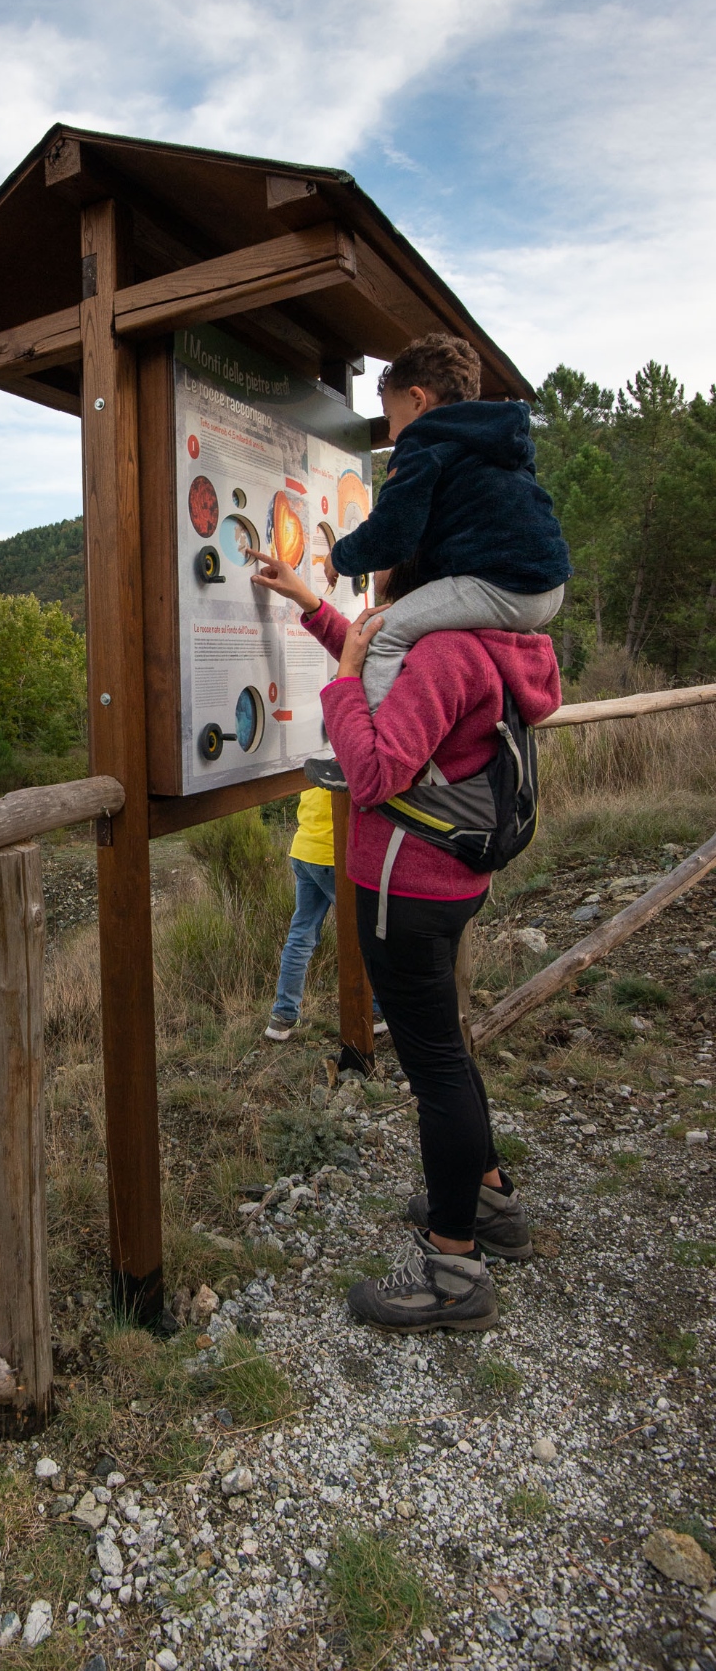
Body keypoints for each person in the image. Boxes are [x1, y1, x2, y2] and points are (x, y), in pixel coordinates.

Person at [251, 549, 561, 1333]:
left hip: (406, 890)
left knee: (434, 1072)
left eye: (382, 564)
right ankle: (489, 1199)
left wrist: (340, 683)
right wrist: (316, 611)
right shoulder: (484, 638)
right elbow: (402, 701)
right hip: (447, 882)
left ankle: (454, 1268)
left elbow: (376, 766)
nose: (372, 578)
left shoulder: (441, 653)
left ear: (410, 578)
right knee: (446, 1053)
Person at [321, 331, 570, 719]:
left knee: (382, 635)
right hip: (548, 585)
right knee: (424, 624)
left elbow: (393, 536)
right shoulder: (494, 439)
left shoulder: (423, 441)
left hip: (501, 583)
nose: (389, 432)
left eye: (390, 416)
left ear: (418, 400)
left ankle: (371, 749)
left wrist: (341, 557)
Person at [264, 789, 381, 1042]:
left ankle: (283, 1016)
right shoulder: (344, 754)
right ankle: (376, 1012)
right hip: (334, 854)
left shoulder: (310, 751)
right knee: (369, 932)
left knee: (300, 936)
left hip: (305, 851)